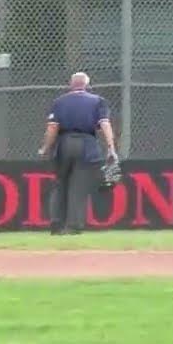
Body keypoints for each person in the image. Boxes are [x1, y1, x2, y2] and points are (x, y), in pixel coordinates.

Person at [37, 72, 118, 235]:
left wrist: (45, 147)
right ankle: (73, 226)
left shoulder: (59, 102)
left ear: (71, 85)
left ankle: (56, 223)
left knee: (60, 184)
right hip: (87, 144)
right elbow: (105, 124)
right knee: (78, 186)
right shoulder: (98, 101)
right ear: (87, 86)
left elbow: (53, 127)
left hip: (64, 143)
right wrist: (111, 147)